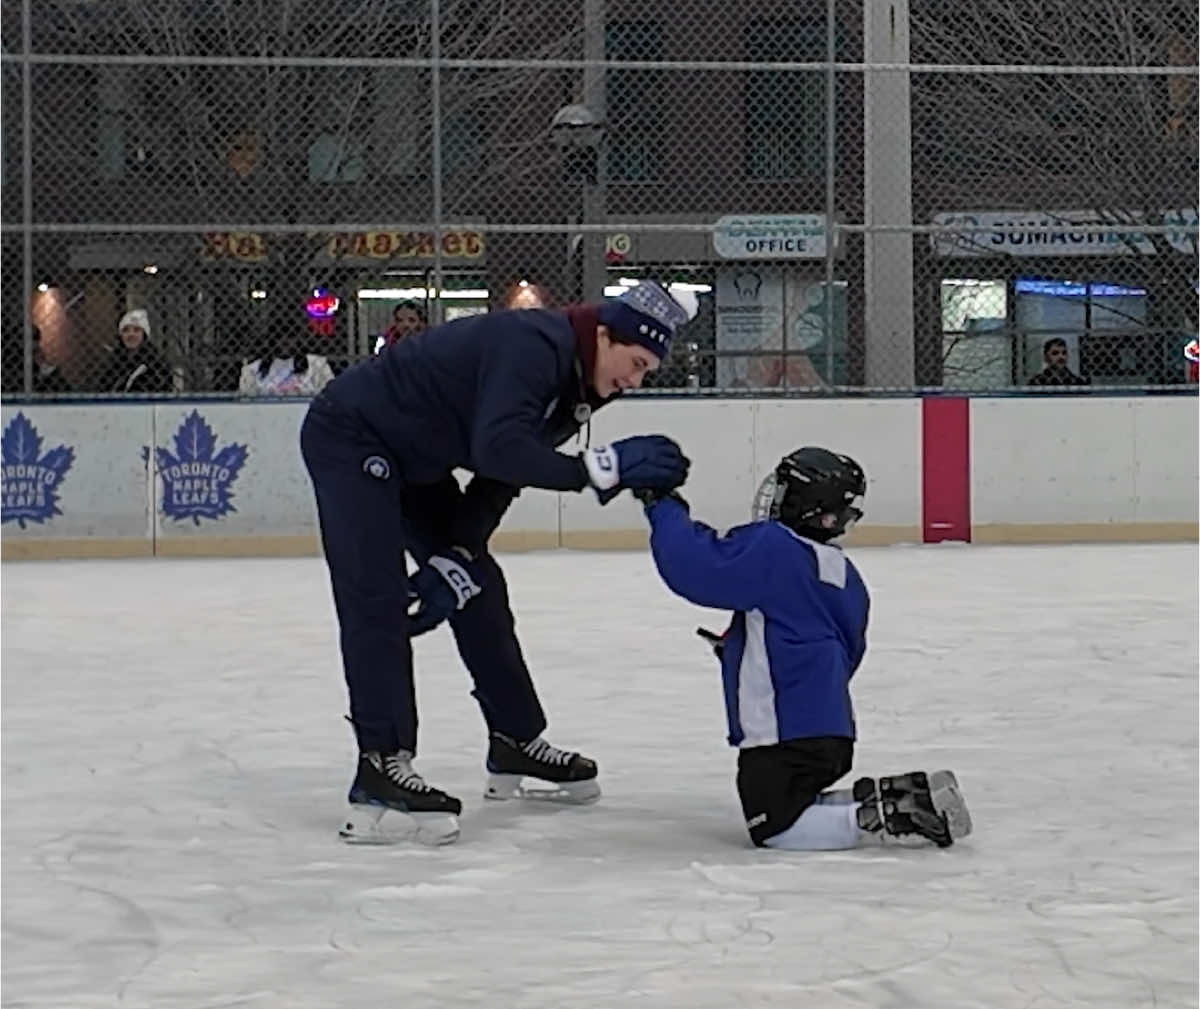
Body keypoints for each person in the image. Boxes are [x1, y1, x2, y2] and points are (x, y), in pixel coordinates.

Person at [300, 279, 696, 846]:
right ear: (604, 335)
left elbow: (500, 477)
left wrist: (458, 556)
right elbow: (499, 446)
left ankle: (514, 739)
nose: (634, 381)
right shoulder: (534, 345)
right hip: (351, 434)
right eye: (634, 363)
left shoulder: (583, 383)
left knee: (478, 585)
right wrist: (598, 468)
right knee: (376, 594)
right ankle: (380, 766)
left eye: (646, 372)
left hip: (416, 460)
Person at [637, 446, 973, 852]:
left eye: (782, 489)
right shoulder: (843, 575)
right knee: (797, 802)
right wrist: (745, 654)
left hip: (783, 735)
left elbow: (695, 567)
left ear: (805, 503)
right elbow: (840, 649)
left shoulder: (775, 547)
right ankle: (899, 794)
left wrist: (663, 504)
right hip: (829, 731)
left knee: (775, 826)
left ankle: (896, 815)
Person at [95, 309, 174, 395]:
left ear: (144, 334)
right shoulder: (112, 360)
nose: (131, 334)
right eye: (125, 330)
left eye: (136, 330)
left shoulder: (156, 361)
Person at [239, 327, 334, 398]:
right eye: (280, 337)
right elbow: (245, 398)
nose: (285, 341)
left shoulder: (316, 364)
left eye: (290, 337)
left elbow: (330, 393)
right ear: (273, 340)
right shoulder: (253, 370)